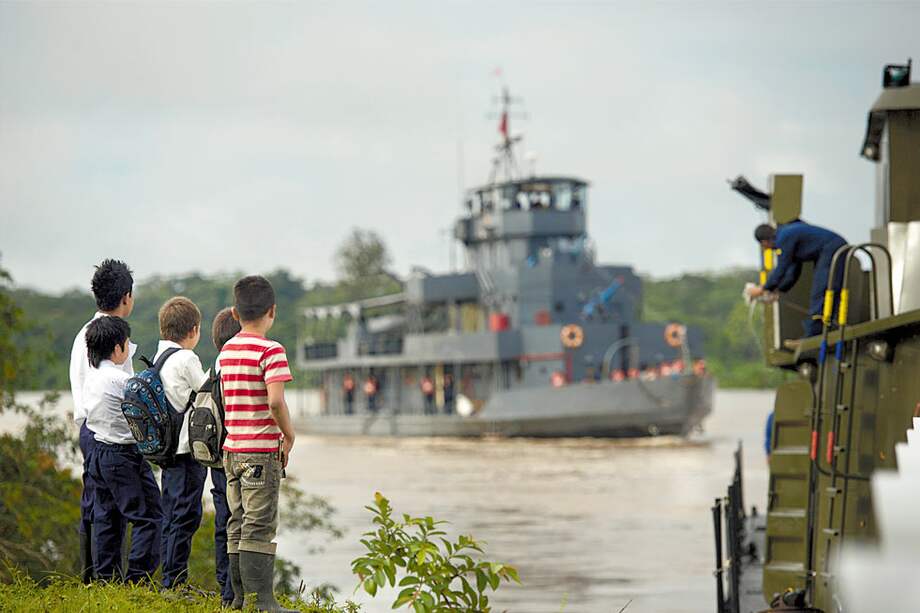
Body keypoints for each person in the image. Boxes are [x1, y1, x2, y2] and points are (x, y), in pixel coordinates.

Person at [219, 276, 296, 612]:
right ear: (272, 311)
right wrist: (289, 435)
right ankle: (262, 601)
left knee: (237, 521)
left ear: (235, 313)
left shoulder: (227, 350)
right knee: (260, 524)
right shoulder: (271, 350)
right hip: (260, 452)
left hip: (231, 451)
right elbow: (276, 402)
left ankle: (238, 599)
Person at [68, 259, 136, 583]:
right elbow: (124, 395)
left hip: (86, 427)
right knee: (113, 509)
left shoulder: (83, 332)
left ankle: (93, 577)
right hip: (106, 432)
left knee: (95, 504)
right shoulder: (114, 338)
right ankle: (111, 579)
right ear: (126, 297)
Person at [83, 316, 162, 582]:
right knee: (148, 516)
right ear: (118, 348)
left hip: (98, 451)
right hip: (123, 455)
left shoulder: (92, 378)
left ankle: (106, 579)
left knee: (107, 518)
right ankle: (138, 579)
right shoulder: (121, 380)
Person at [155, 297, 209, 591]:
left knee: (171, 515)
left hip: (166, 452)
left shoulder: (159, 357)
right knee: (185, 517)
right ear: (194, 329)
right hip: (186, 452)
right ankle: (175, 584)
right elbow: (205, 393)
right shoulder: (186, 359)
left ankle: (170, 581)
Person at [748, 221, 847, 338]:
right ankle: (820, 329)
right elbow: (792, 272)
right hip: (830, 248)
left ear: (764, 242)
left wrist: (763, 288)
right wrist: (778, 290)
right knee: (825, 288)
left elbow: (781, 268)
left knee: (821, 290)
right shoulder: (787, 236)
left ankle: (814, 333)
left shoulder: (784, 238)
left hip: (831, 248)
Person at [210, 306, 242, 606]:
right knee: (244, 520)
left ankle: (226, 590)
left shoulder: (213, 368)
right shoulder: (235, 366)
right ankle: (241, 590)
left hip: (216, 458)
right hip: (238, 454)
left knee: (224, 520)